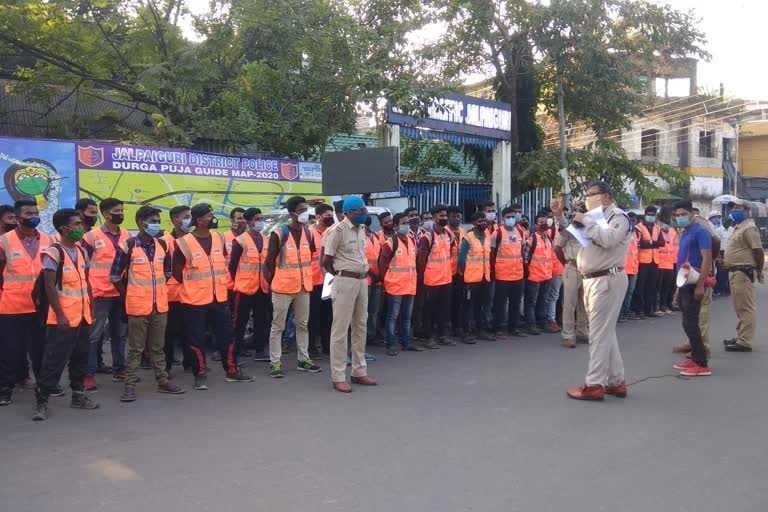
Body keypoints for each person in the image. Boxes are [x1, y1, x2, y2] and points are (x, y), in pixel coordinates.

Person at [561, 181, 631, 401]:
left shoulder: (618, 217)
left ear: (607, 197)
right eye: (586, 195)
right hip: (592, 279)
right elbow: (570, 236)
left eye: (593, 195)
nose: (588, 199)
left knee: (598, 335)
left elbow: (608, 240)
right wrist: (559, 217)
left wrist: (587, 220)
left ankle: (594, 384)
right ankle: (615, 380)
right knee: (605, 332)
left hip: (607, 278)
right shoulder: (592, 218)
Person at [172, 203, 253, 389]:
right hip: (194, 300)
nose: (213, 219)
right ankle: (199, 373)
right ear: (199, 220)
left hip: (219, 298)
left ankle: (232, 371)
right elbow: (176, 273)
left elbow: (223, 263)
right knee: (196, 339)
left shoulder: (218, 238)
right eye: (210, 216)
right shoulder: (183, 243)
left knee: (227, 336)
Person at [111, 206, 185, 402]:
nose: (156, 225)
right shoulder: (128, 246)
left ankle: (162, 380)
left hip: (160, 305)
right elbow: (115, 276)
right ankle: (130, 385)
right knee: (135, 348)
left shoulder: (162, 245)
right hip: (137, 306)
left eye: (157, 221)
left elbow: (167, 273)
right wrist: (127, 296)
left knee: (158, 347)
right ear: (140, 223)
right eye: (153, 221)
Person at [33, 208, 99, 420]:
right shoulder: (53, 252)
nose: (81, 228)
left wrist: (91, 307)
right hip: (62, 320)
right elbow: (50, 287)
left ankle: (78, 396)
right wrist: (60, 315)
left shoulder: (81, 251)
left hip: (82, 317)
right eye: (77, 224)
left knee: (80, 359)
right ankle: (41, 402)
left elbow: (86, 281)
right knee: (54, 361)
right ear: (64, 228)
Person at [0, 199, 56, 405]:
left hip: (41, 306)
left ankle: (44, 388)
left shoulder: (48, 240)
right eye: (28, 214)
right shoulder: (5, 240)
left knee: (41, 350)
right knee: (10, 351)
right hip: (12, 306)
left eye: (35, 213)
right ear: (18, 217)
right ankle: (5, 389)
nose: (34, 217)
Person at [323, 195, 377, 392]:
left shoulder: (362, 229)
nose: (364, 213)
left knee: (360, 326)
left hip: (362, 280)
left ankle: (359, 371)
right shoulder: (337, 231)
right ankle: (338, 375)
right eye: (359, 210)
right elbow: (326, 261)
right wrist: (341, 274)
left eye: (364, 209)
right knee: (340, 329)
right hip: (345, 280)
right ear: (347, 213)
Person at [264, 196, 321, 379]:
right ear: (292, 213)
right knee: (277, 326)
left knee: (303, 325)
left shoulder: (309, 233)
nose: (306, 213)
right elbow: (268, 263)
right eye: (302, 210)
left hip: (303, 287)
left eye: (306, 209)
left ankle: (303, 360)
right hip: (282, 288)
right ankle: (275, 363)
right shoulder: (279, 233)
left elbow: (309, 256)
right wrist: (272, 284)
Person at [80, 198, 130, 390]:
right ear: (107, 214)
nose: (121, 213)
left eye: (122, 210)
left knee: (120, 333)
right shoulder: (91, 237)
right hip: (99, 292)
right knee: (94, 335)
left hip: (121, 291)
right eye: (118, 210)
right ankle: (88, 373)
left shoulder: (127, 235)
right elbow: (82, 265)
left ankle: (120, 368)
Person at [669, 200, 713, 377]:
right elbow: (682, 261)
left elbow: (707, 259)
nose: (680, 218)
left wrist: (701, 285)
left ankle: (702, 364)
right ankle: (695, 357)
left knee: (691, 323)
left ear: (692, 214)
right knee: (687, 323)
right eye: (677, 215)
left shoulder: (700, 231)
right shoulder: (686, 232)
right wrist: (678, 288)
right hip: (685, 281)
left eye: (683, 215)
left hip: (695, 281)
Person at [228, 207, 271, 364]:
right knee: (239, 322)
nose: (260, 222)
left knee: (261, 320)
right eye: (257, 219)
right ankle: (236, 352)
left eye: (261, 219)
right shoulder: (240, 241)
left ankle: (260, 350)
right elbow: (232, 266)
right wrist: (238, 281)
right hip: (244, 288)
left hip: (262, 288)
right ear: (249, 222)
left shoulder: (265, 239)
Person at [723, 199, 764, 353]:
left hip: (743, 272)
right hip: (735, 271)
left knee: (746, 307)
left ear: (747, 211)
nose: (734, 210)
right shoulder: (738, 228)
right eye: (733, 208)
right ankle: (741, 336)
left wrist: (759, 270)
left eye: (738, 208)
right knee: (739, 306)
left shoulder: (749, 228)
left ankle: (745, 341)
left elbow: (758, 251)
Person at [379, 212, 420, 356]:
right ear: (396, 226)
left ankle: (406, 342)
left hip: (409, 284)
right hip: (395, 285)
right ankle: (391, 345)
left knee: (407, 316)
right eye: (403, 223)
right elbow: (382, 264)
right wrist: (386, 281)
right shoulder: (390, 243)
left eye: (407, 222)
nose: (407, 225)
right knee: (392, 317)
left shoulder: (411, 240)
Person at [418, 204, 455, 348]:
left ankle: (443, 335)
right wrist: (423, 277)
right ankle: (429, 337)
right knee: (429, 310)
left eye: (445, 216)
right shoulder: (428, 237)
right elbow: (421, 260)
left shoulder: (448, 234)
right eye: (441, 216)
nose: (444, 218)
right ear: (434, 218)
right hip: (431, 281)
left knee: (444, 309)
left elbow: (450, 253)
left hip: (446, 279)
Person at [553, 203, 589, 348]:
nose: (577, 216)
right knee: (569, 304)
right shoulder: (569, 230)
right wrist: (567, 264)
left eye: (580, 213)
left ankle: (582, 332)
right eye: (575, 213)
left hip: (587, 270)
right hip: (572, 269)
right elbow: (557, 249)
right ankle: (568, 335)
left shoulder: (591, 231)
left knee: (585, 303)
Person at [163, 206, 192, 372]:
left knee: (190, 332)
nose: (190, 220)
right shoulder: (164, 241)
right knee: (168, 334)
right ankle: (166, 368)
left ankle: (189, 363)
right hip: (170, 295)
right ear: (176, 221)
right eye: (186, 217)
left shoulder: (193, 239)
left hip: (190, 294)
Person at [491, 206, 526, 339]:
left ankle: (513, 327)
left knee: (515, 303)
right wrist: (493, 271)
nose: (511, 219)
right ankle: (498, 328)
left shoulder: (520, 233)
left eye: (513, 216)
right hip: (502, 275)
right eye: (508, 217)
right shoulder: (497, 233)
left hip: (517, 274)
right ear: (503, 218)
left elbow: (521, 252)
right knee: (500, 303)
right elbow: (492, 254)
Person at [458, 212, 493, 342]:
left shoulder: (487, 237)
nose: (483, 223)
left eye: (484, 220)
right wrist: (465, 273)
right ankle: (466, 333)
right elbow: (461, 259)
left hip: (485, 278)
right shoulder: (468, 237)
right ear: (473, 223)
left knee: (481, 306)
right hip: (471, 280)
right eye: (479, 221)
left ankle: (480, 330)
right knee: (468, 307)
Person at [309, 203, 334, 357]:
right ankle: (311, 348)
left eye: (332, 216)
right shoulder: (309, 234)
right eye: (327, 216)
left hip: (329, 281)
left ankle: (327, 346)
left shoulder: (332, 233)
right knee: (312, 317)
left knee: (328, 316)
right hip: (313, 281)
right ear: (318, 217)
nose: (330, 219)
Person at [523, 211, 554, 335]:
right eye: (541, 222)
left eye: (546, 222)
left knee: (543, 301)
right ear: (536, 225)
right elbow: (525, 258)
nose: (544, 224)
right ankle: (531, 325)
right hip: (534, 276)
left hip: (546, 275)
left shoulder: (548, 239)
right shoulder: (532, 239)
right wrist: (527, 273)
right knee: (531, 302)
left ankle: (543, 322)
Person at [634, 205, 665, 318]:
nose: (651, 217)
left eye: (653, 215)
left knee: (652, 286)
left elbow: (662, 243)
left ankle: (649, 310)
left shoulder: (657, 228)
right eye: (649, 215)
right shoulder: (639, 227)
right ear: (645, 214)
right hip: (642, 261)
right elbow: (640, 243)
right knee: (641, 286)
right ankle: (640, 310)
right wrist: (653, 243)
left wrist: (650, 243)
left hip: (654, 261)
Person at [363, 215, 384, 344]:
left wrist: (379, 275)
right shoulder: (359, 237)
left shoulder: (376, 236)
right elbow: (360, 260)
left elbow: (381, 257)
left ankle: (372, 335)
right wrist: (373, 275)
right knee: (363, 311)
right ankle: (363, 336)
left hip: (377, 280)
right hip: (366, 279)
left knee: (374, 310)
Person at [447, 206, 466, 338]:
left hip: (461, 273)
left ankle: (457, 326)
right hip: (447, 273)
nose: (456, 219)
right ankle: (446, 326)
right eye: (453, 216)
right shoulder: (444, 232)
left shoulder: (464, 232)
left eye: (458, 217)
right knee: (447, 302)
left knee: (459, 301)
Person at [656, 207, 678, 314]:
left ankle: (666, 304)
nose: (673, 218)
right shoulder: (658, 228)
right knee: (659, 287)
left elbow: (674, 247)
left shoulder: (672, 230)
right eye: (672, 215)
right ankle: (659, 306)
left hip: (671, 262)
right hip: (659, 263)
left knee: (669, 286)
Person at [620, 212, 641, 322]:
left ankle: (626, 311)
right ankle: (620, 314)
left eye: (634, 220)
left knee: (629, 292)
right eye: (630, 220)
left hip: (633, 268)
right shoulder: (622, 233)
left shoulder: (636, 233)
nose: (632, 222)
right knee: (621, 293)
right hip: (623, 268)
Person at [709, 210, 731, 296]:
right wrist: (718, 255)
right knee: (721, 272)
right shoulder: (718, 230)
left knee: (726, 271)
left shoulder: (732, 229)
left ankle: (724, 288)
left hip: (728, 251)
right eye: (715, 217)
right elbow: (716, 242)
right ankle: (717, 289)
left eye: (718, 217)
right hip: (719, 252)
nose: (717, 219)